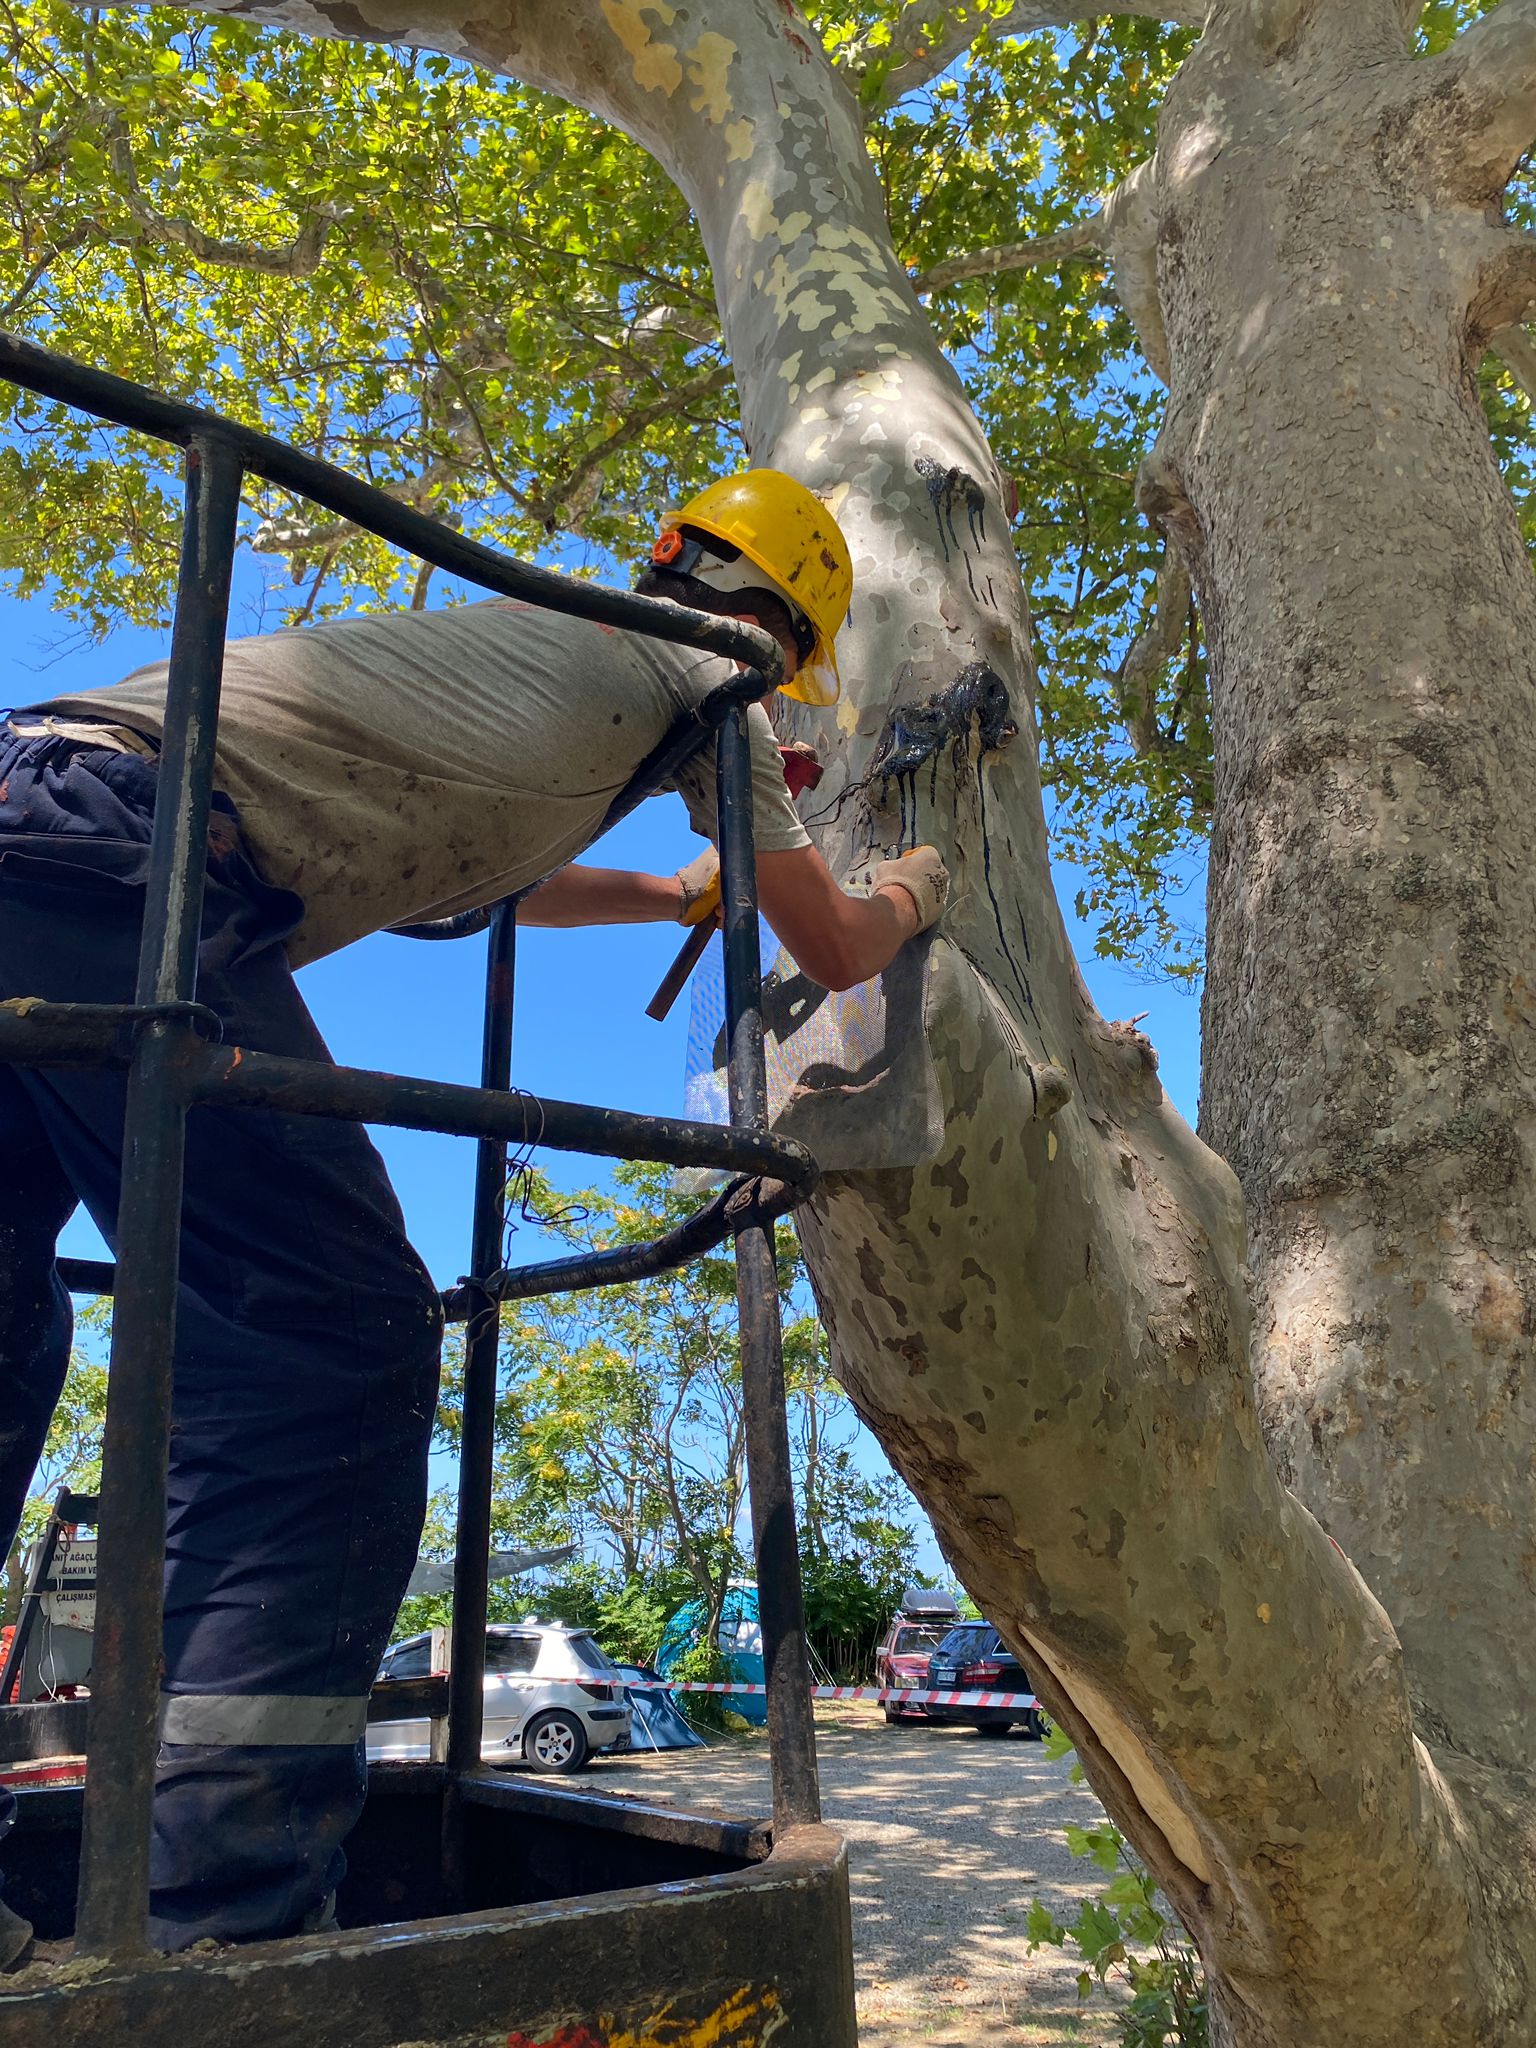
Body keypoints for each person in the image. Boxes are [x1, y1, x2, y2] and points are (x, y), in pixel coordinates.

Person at [0, 467, 948, 1958]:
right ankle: (223, 1924)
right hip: (132, 857)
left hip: (41, 814)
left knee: (4, 1325)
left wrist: (679, 886)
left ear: (668, 550)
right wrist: (908, 885)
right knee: (331, 1339)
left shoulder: (559, 649)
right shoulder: (718, 685)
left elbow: (490, 879)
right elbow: (829, 946)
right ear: (780, 638)